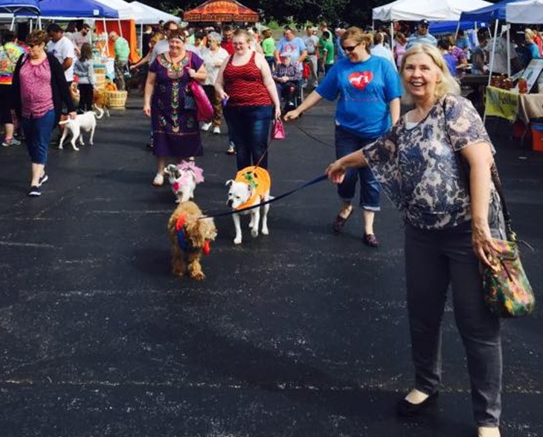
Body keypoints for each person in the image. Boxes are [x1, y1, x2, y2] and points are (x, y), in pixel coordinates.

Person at [324, 43, 507, 437]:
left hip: (466, 235)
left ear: (440, 72)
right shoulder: (407, 120)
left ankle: (487, 419)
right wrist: (342, 162)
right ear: (401, 74)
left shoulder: (454, 109)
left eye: (425, 67)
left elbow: (480, 162)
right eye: (409, 68)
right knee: (422, 316)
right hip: (422, 234)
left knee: (477, 326)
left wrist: (479, 226)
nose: (416, 75)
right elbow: (379, 149)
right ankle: (426, 383)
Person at [284, 27, 401, 247]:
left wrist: (395, 128)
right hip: (346, 131)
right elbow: (320, 92)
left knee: (371, 180)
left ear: (363, 44)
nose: (347, 52)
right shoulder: (340, 67)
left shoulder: (382, 66)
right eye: (344, 49)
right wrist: (299, 110)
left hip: (376, 133)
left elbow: (394, 97)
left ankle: (368, 229)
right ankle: (346, 206)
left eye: (350, 48)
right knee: (344, 175)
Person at [12, 30, 75, 197]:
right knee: (31, 143)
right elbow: (15, 84)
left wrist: (71, 107)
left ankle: (34, 182)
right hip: (26, 110)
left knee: (40, 142)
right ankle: (41, 171)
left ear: (42, 45)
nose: (30, 49)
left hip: (46, 108)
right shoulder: (23, 59)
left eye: (33, 46)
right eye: (28, 46)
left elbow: (62, 85)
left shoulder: (51, 61)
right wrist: (13, 108)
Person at [144, 29, 208, 186]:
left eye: (177, 42)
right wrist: (146, 102)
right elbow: (150, 81)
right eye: (171, 41)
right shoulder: (159, 59)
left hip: (186, 106)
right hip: (161, 105)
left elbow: (205, 76)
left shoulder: (193, 58)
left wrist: (195, 74)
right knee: (161, 137)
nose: (174, 45)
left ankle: (182, 172)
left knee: (184, 138)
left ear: (184, 43)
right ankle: (160, 172)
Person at [215, 29, 281, 169]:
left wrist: (277, 105)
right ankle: (243, 182)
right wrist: (220, 91)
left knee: (258, 145)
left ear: (249, 43)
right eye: (235, 44)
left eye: (241, 43)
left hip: (259, 107)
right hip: (234, 109)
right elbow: (219, 82)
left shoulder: (258, 58)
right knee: (241, 147)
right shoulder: (228, 59)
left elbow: (269, 82)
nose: (238, 46)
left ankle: (260, 182)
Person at [0, 31, 26, 146]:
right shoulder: (20, 51)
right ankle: (9, 138)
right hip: (11, 82)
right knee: (9, 110)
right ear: (15, 39)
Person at [199, 32, 229, 134]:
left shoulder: (223, 53)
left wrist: (220, 64)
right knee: (207, 102)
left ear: (218, 42)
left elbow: (227, 65)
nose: (210, 43)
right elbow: (200, 63)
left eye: (212, 41)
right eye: (209, 41)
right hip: (206, 81)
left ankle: (216, 124)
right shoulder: (204, 51)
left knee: (217, 103)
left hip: (218, 81)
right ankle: (207, 121)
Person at [73, 42, 97, 113]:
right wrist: (93, 84)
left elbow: (74, 71)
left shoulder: (78, 61)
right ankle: (89, 111)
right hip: (88, 82)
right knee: (89, 98)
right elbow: (90, 74)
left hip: (80, 82)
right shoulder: (89, 61)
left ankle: (81, 110)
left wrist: (81, 74)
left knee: (82, 97)